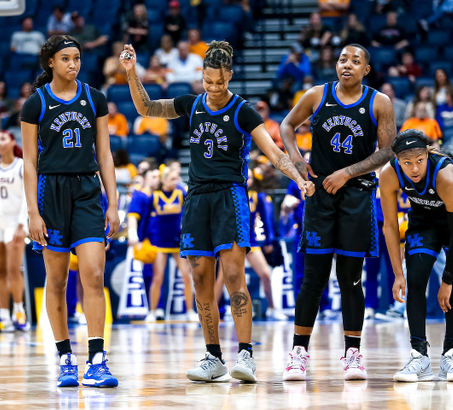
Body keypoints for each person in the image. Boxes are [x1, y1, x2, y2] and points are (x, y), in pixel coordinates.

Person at [121, 40, 314, 383]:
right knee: (199, 281)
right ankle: (213, 356)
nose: (213, 89)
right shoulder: (192, 104)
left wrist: (298, 178)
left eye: (220, 82)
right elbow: (146, 107)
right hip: (196, 200)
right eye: (208, 82)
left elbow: (273, 152)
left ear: (230, 76)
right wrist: (131, 71)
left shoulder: (243, 110)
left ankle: (245, 354)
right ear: (202, 76)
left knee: (235, 276)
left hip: (230, 197)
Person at [280, 44, 396, 381]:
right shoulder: (317, 95)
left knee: (350, 279)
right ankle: (298, 352)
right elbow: (287, 125)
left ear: (366, 70)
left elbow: (387, 151)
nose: (347, 65)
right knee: (313, 278)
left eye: (355, 61)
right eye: (343, 59)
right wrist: (298, 162)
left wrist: (348, 172)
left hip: (357, 197)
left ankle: (353, 354)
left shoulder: (379, 102)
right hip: (320, 198)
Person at [21, 35, 120, 387]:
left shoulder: (95, 97)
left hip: (87, 191)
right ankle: (65, 358)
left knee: (94, 273)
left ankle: (97, 360)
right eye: (66, 58)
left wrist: (114, 202)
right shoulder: (36, 104)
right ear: (51, 62)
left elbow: (105, 154)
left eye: (77, 58)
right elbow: (30, 164)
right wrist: (33, 211)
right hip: (51, 192)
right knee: (58, 279)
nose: (73, 64)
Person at [380, 129, 453, 382]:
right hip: (424, 218)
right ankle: (419, 357)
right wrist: (397, 273)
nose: (414, 169)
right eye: (407, 163)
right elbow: (390, 226)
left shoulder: (445, 174)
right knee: (415, 280)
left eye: (419, 161)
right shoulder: (389, 174)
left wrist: (446, 280)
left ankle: (450, 355)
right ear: (398, 161)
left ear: (427, 154)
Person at [215, 168, 288, 320]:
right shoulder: (228, 193)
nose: (247, 179)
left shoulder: (257, 196)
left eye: (249, 177)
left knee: (266, 275)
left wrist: (269, 241)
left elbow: (267, 220)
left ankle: (272, 309)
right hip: (232, 242)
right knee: (222, 278)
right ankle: (211, 311)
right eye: (244, 176)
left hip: (251, 242)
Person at [142, 167, 197, 321]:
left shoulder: (181, 194)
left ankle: (190, 311)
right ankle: (152, 312)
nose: (176, 182)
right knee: (157, 277)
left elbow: (190, 213)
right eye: (172, 179)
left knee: (186, 276)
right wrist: (142, 239)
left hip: (177, 241)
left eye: (176, 179)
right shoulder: (154, 196)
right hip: (159, 242)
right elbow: (145, 220)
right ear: (164, 180)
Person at [0, 131, 29, 332]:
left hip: (16, 222)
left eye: (3, 139)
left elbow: (27, 196)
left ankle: (19, 311)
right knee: (0, 270)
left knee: (14, 269)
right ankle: (4, 316)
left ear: (12, 141)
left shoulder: (21, 165)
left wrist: (22, 225)